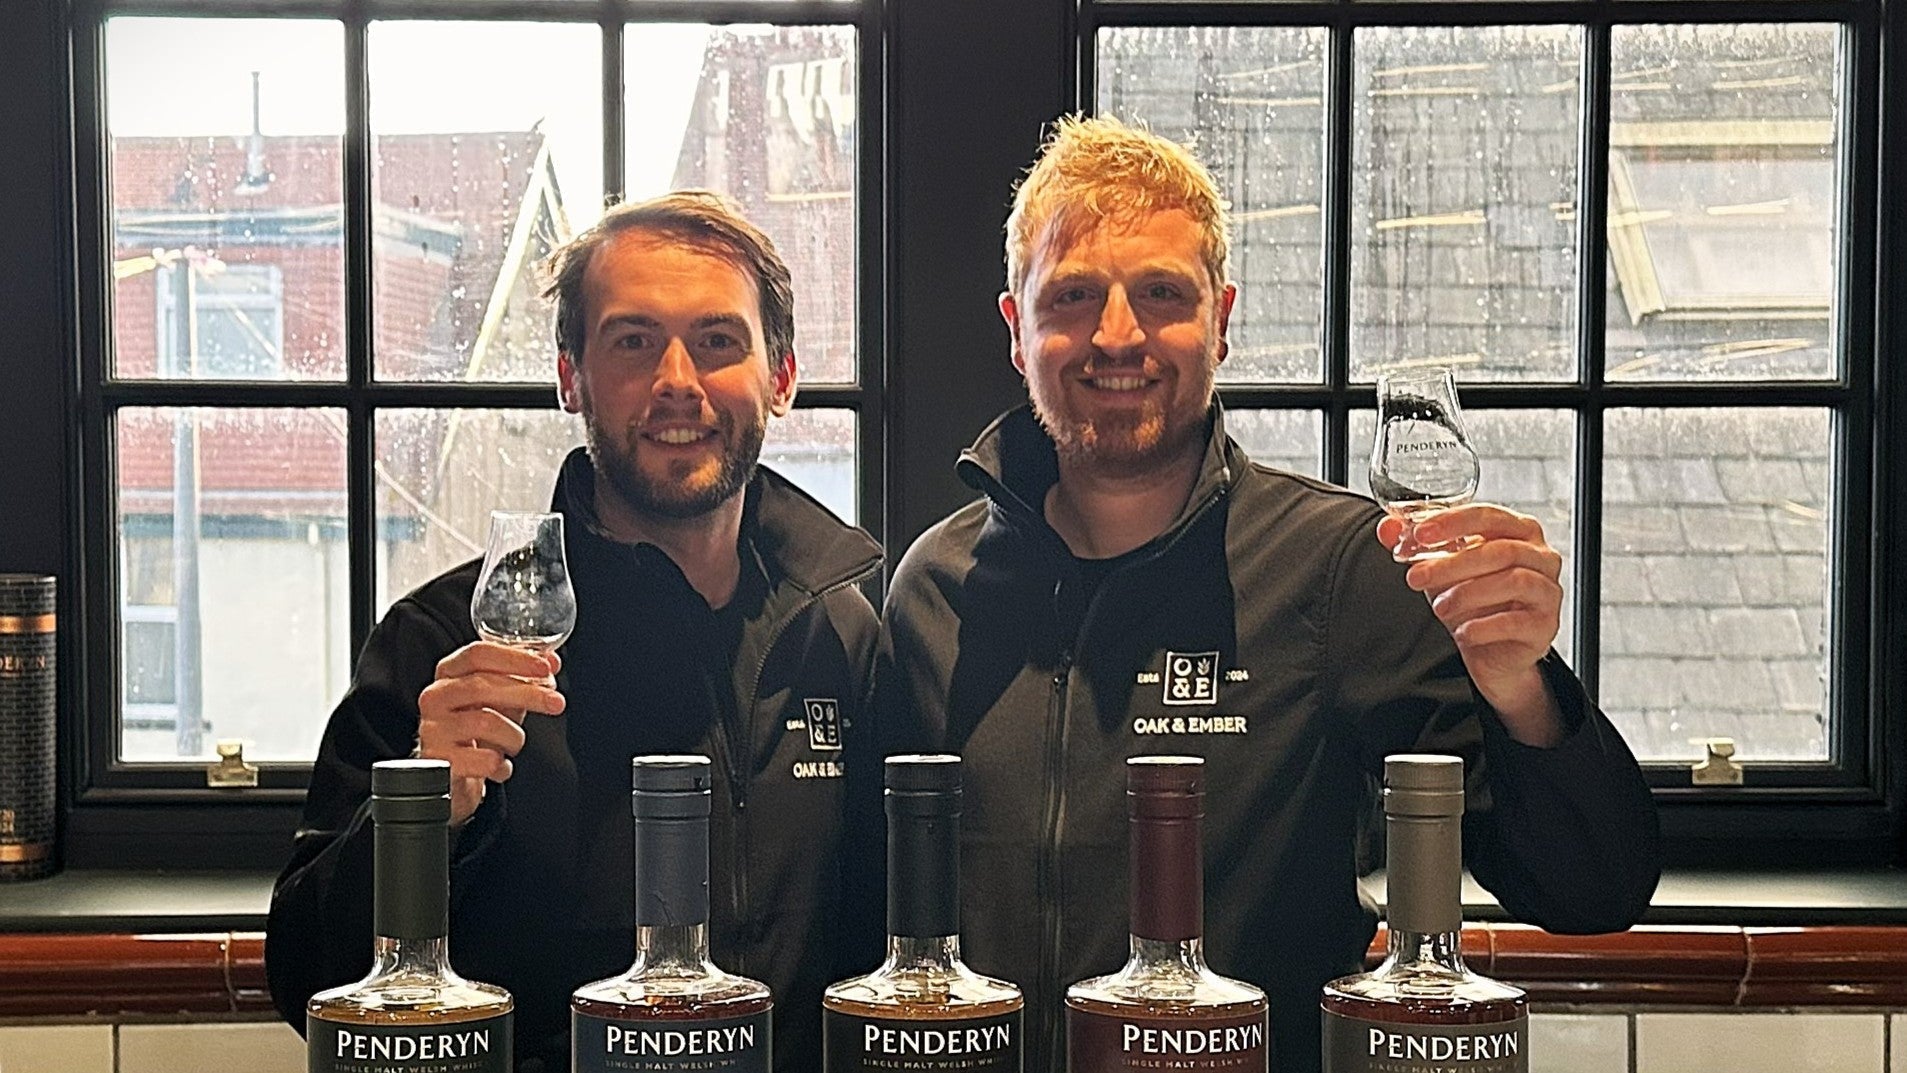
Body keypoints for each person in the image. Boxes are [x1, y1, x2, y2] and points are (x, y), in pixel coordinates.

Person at [864, 115, 1660, 1073]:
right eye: (1073, 295)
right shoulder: (932, 588)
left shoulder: (1340, 569)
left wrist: (1520, 682)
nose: (1116, 335)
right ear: (1016, 327)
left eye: (1161, 293)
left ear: (1223, 319)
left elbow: (1589, 886)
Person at [267, 191, 882, 1073]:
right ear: (570, 376)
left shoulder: (843, 631)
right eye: (633, 341)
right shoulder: (440, 645)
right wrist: (420, 820)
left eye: (717, 340)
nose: (677, 379)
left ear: (779, 378)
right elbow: (306, 981)